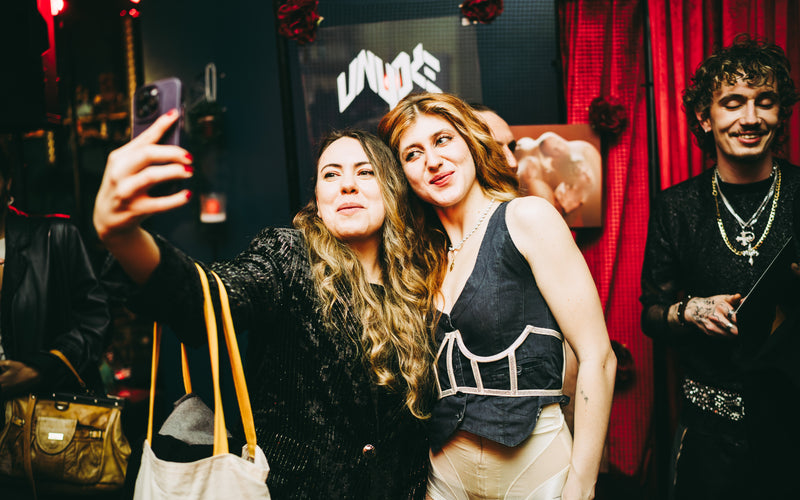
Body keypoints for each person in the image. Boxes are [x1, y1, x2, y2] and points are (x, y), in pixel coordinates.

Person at [93, 111, 433, 498]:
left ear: (392, 188)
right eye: (331, 175)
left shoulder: (418, 285)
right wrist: (123, 237)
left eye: (365, 172)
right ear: (318, 199)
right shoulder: (288, 258)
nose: (347, 185)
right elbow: (206, 298)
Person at [378, 92, 616, 500]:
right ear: (402, 174)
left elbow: (598, 357)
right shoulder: (419, 258)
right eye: (412, 154)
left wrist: (583, 482)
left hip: (535, 470)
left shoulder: (527, 218)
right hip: (445, 478)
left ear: (470, 141)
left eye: (442, 140)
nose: (432, 161)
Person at [640, 34, 800, 500]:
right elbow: (651, 313)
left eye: (764, 101)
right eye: (733, 103)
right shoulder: (676, 207)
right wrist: (689, 310)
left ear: (780, 114)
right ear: (704, 117)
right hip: (710, 439)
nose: (750, 117)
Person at [0, 142, 109, 400]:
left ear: (7, 181)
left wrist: (39, 369)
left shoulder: (56, 238)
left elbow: (96, 324)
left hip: (44, 415)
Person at [515, 132, 602, 227]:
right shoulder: (537, 181)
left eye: (558, 143)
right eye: (554, 150)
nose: (560, 149)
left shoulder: (583, 152)